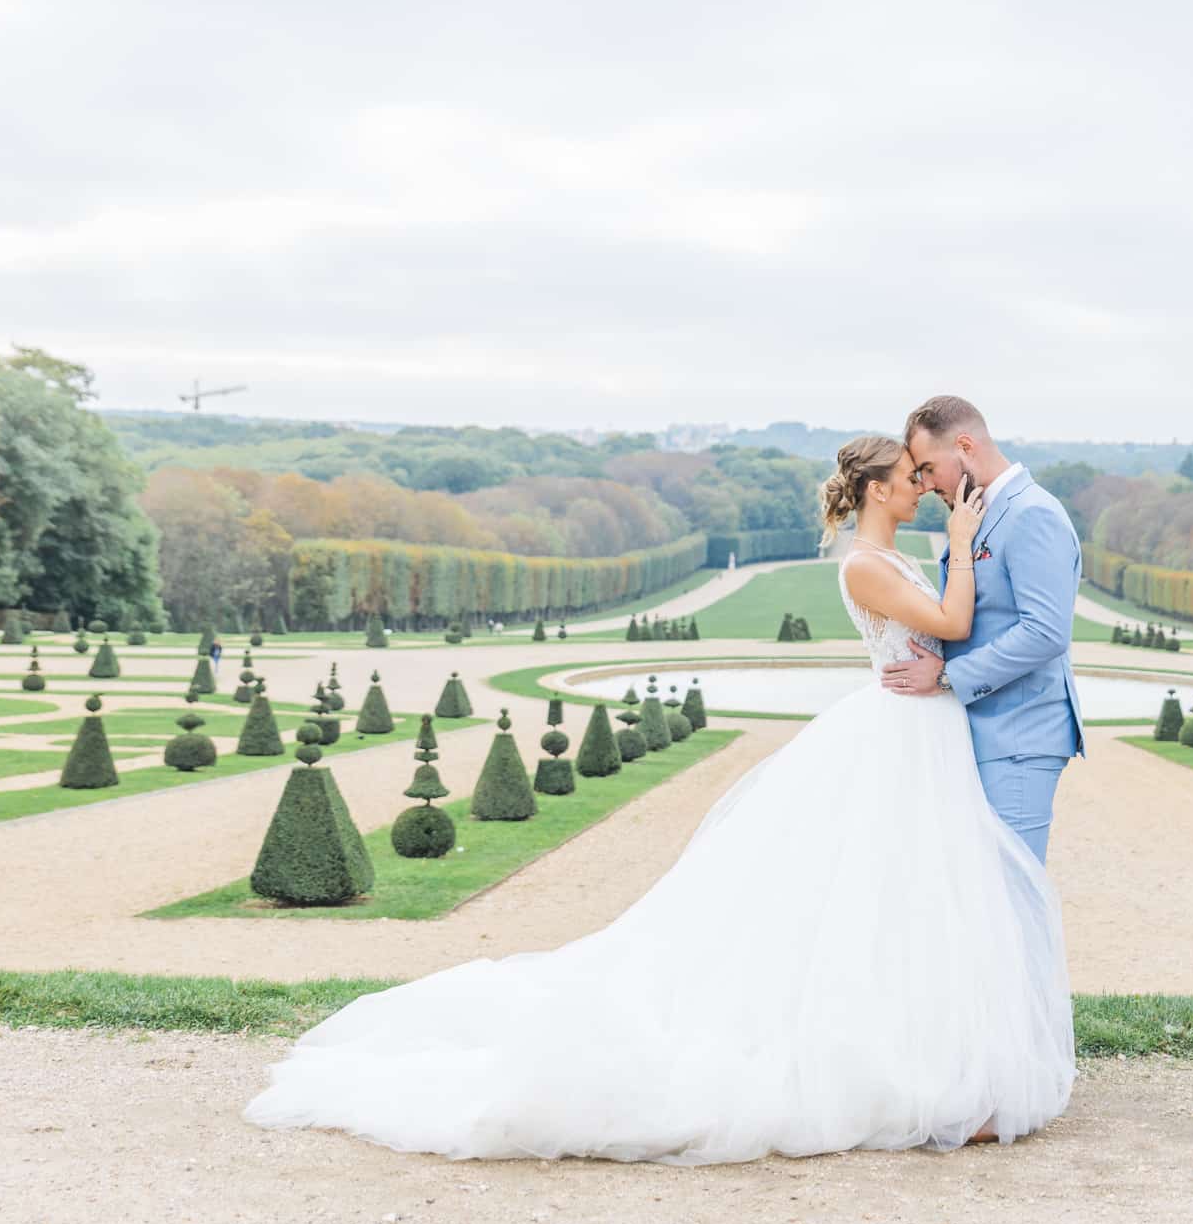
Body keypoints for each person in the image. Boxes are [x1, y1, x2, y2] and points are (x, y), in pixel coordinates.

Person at [243, 434, 1074, 1163]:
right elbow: (957, 627)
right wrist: (964, 543)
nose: (924, 485)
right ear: (873, 491)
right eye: (908, 475)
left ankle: (931, 1055)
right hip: (900, 733)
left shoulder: (892, 556)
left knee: (904, 903)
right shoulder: (866, 562)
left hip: (918, 737)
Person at [886, 396, 1087, 864]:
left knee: (1012, 891)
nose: (927, 484)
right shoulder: (976, 514)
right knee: (980, 899)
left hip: (1020, 736)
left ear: (964, 445)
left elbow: (1045, 631)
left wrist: (945, 678)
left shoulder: (1031, 513)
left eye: (930, 468)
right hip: (983, 731)